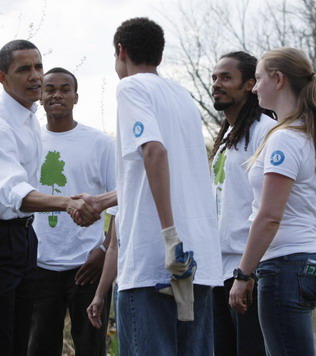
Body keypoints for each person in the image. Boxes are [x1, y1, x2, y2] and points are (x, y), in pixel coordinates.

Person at [78, 17, 223, 355]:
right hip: (197, 262)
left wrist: (169, 236)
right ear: (159, 53)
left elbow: (154, 152)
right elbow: (169, 174)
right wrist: (103, 201)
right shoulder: (182, 96)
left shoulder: (131, 87)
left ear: (120, 50)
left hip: (154, 262)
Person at [0, 40, 99, 356]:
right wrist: (67, 203)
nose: (35, 76)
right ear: (2, 77)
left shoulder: (27, 112)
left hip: (21, 236)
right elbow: (13, 192)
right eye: (24, 69)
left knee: (19, 339)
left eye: (38, 66)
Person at [229, 47, 316, 356]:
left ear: (278, 80)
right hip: (306, 264)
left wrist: (243, 274)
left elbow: (269, 216)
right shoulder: (305, 133)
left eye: (260, 78)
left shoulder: (285, 138)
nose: (255, 85)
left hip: (286, 268)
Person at [27, 67, 115, 356]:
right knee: (38, 347)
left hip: (87, 265)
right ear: (40, 96)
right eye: (50, 88)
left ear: (76, 97)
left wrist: (104, 250)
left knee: (91, 348)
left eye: (65, 89)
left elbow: (121, 202)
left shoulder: (99, 143)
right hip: (38, 264)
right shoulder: (29, 142)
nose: (57, 94)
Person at [210, 51, 275, 356]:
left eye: (226, 78)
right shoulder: (226, 138)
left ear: (250, 84)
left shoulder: (265, 131)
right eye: (214, 78)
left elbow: (270, 207)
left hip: (249, 271)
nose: (216, 84)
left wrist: (249, 273)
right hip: (218, 270)